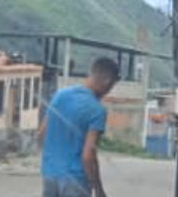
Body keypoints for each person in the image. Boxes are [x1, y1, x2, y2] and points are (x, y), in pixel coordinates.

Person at [39, 57, 119, 197]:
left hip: (50, 176)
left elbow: (41, 134)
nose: (109, 90)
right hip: (76, 181)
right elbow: (88, 155)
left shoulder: (60, 96)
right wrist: (98, 188)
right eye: (111, 86)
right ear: (107, 81)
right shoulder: (97, 110)